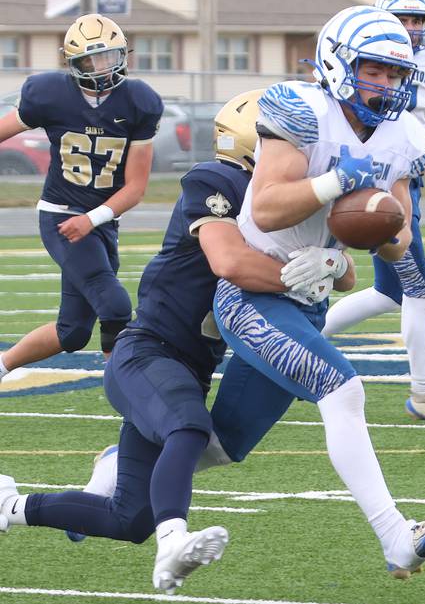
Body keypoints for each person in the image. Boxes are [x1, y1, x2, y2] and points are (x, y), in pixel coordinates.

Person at [0, 90, 295, 595]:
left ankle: (9, 508)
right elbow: (231, 261)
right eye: (286, 144)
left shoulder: (273, 202)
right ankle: (174, 541)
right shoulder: (218, 181)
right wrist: (298, 272)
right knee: (188, 426)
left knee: (130, 517)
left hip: (187, 366)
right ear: (255, 145)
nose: (296, 158)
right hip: (148, 353)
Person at [212, 6, 425, 579]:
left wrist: (374, 235)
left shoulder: (405, 134)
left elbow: (394, 232)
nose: (387, 84)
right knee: (342, 387)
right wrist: (335, 182)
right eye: (375, 69)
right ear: (337, 61)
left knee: (222, 445)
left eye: (397, 75)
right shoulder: (303, 110)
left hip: (308, 297)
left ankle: (109, 480)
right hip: (251, 292)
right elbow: (268, 208)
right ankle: (397, 536)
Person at [321, 0, 425, 423]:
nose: (409, 26)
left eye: (417, 19)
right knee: (418, 288)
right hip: (355, 174)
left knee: (393, 291)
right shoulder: (358, 57)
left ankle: (302, 338)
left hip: (402, 180)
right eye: (401, 17)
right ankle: (423, 394)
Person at [0, 14, 163, 383]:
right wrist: (86, 220)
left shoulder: (140, 102)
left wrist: (95, 219)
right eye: (91, 59)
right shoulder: (49, 94)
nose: (101, 68)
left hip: (99, 220)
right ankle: (131, 394)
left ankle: (1, 365)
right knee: (115, 305)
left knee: (71, 333)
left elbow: (135, 187)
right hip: (61, 216)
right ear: (73, 63)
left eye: (109, 56)